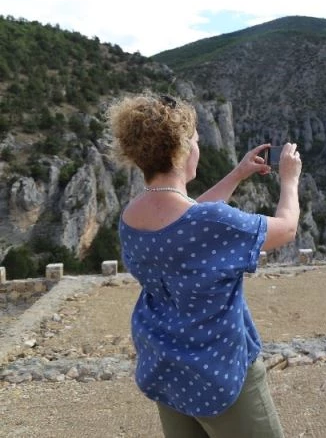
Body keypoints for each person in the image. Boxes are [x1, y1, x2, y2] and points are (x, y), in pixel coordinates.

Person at [107, 92, 301, 438]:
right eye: (195, 140)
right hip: (221, 374)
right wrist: (290, 179)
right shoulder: (209, 223)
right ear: (182, 150)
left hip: (168, 368)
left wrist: (237, 174)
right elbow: (286, 229)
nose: (199, 146)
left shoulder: (131, 216)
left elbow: (187, 220)